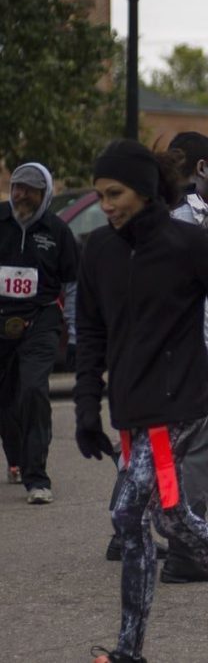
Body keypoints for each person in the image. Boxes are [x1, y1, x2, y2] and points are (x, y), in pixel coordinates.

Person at [75, 139, 208, 663]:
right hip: (130, 407)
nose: (106, 205)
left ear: (146, 190)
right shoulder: (99, 251)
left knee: (130, 515)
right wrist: (86, 406)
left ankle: (129, 652)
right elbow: (90, 331)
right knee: (169, 518)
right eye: (100, 195)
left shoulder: (187, 242)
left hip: (177, 404)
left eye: (115, 193)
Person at [154, 130, 208, 585]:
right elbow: (194, 298)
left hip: (162, 354)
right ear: (201, 167)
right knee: (201, 448)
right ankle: (190, 549)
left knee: (161, 447)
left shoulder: (167, 213)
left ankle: (130, 533)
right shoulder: (186, 217)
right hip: (190, 355)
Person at [0, 163, 79, 503]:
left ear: (44, 193)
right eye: (17, 186)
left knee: (33, 390)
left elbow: (73, 286)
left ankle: (37, 478)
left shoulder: (58, 232)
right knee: (5, 399)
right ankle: (16, 459)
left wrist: (75, 335)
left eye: (29, 189)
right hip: (1, 320)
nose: (20, 194)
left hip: (42, 320)